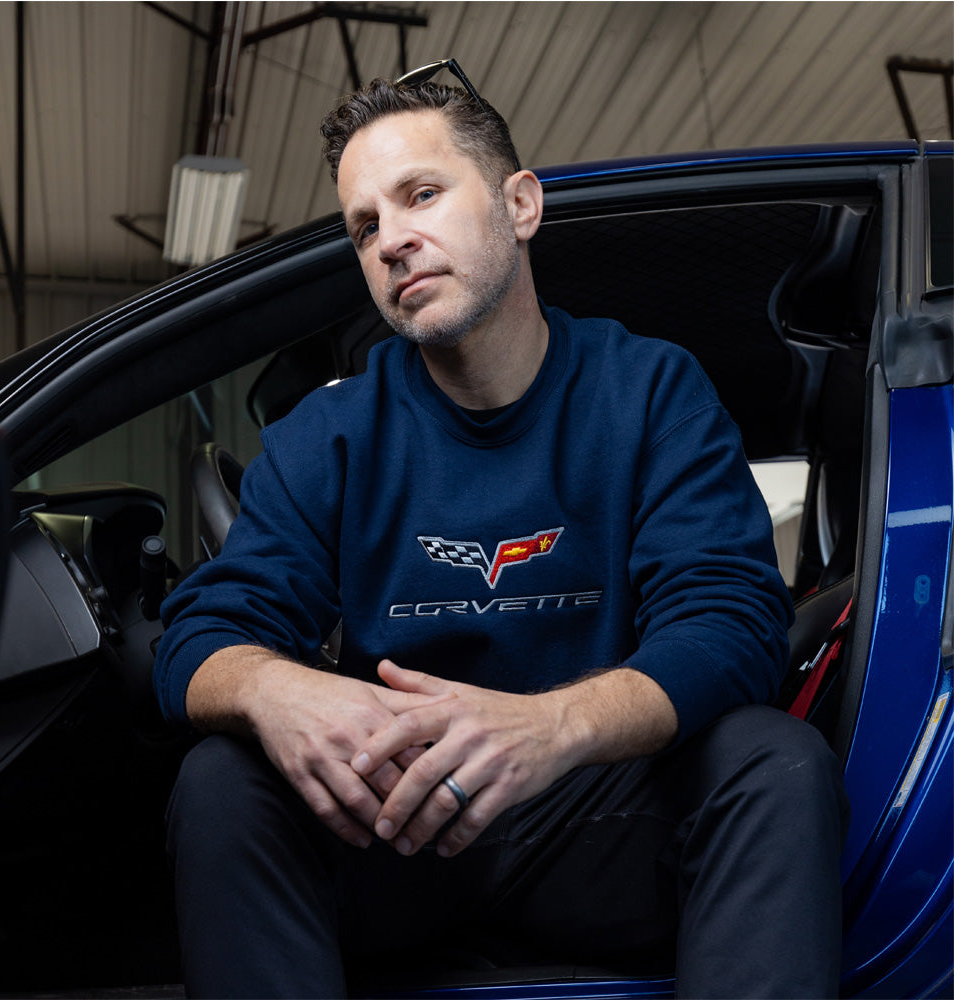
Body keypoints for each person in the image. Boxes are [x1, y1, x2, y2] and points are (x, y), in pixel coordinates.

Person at [154, 64, 849, 999]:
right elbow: (199, 633)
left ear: (520, 204)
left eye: (422, 195)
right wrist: (278, 690)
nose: (393, 239)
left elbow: (731, 624)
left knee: (774, 761)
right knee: (219, 780)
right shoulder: (327, 435)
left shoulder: (649, 391)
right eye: (365, 227)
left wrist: (549, 726)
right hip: (395, 833)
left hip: (595, 818)